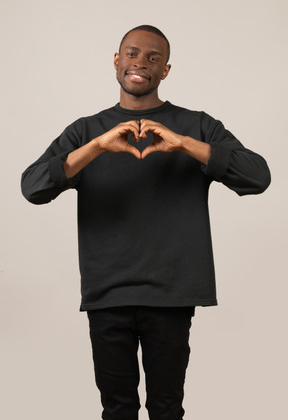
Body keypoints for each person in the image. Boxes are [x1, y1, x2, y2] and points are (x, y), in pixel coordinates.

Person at [21, 25, 271, 420]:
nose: (141, 63)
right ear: (116, 61)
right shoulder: (85, 132)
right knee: (117, 410)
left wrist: (184, 144)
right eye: (132, 53)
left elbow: (258, 176)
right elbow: (33, 187)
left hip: (172, 294)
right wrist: (98, 147)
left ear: (166, 71)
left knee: (167, 409)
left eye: (154, 58)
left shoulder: (197, 126)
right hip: (108, 293)